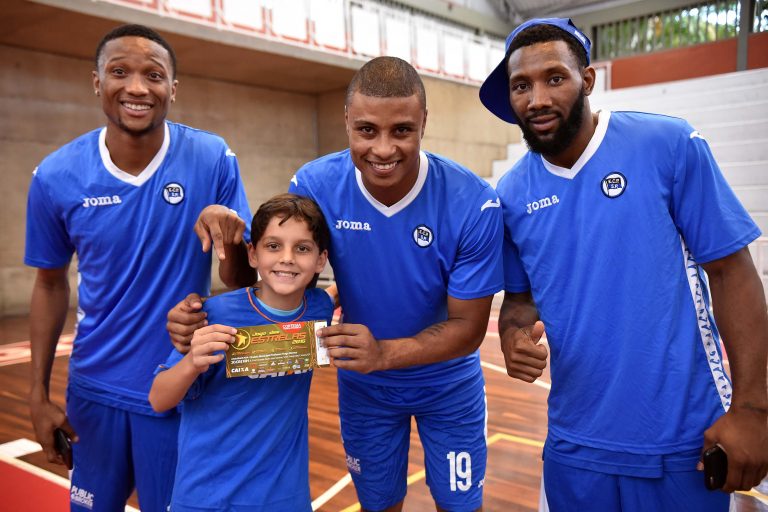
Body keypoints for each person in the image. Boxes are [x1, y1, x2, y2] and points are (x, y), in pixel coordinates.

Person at [169, 56, 504, 511]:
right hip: (365, 386)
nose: (383, 148)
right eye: (366, 130)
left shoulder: (473, 202)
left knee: (460, 505)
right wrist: (225, 248)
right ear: (346, 120)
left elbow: (468, 327)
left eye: (401, 130)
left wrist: (383, 353)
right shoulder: (315, 184)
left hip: (447, 386)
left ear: (424, 121)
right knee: (379, 504)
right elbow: (272, 279)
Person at [479, 17, 768, 511]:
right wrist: (512, 335)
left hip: (682, 441)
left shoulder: (668, 144)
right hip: (574, 445)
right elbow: (520, 301)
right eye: (521, 85)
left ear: (587, 80)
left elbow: (731, 272)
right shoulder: (511, 194)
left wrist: (753, 409)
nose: (537, 99)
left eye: (555, 78)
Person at [25, 24, 254, 511]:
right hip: (93, 391)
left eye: (153, 75)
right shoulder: (55, 175)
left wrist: (229, 236)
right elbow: (48, 284)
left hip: (176, 384)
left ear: (173, 87)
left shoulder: (212, 157)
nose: (136, 87)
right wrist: (37, 394)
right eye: (119, 72)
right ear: (97, 82)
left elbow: (241, 279)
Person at [149, 193, 334, 511]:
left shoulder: (319, 308)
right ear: (252, 254)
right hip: (207, 498)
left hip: (284, 499)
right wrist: (192, 362)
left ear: (321, 260)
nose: (287, 258)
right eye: (273, 246)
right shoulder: (213, 314)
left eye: (302, 248)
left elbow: (339, 291)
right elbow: (158, 399)